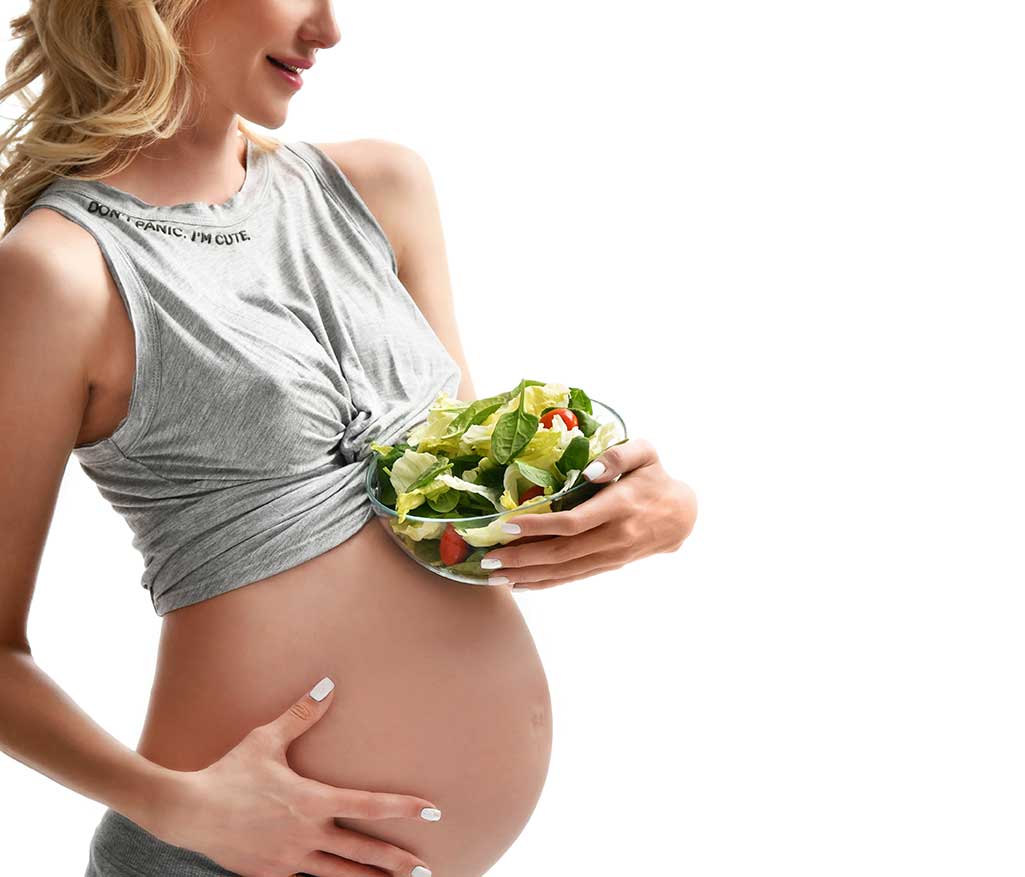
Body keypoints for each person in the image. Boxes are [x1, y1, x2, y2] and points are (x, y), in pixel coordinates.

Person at [0, 1, 699, 875]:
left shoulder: (380, 189)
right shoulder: (58, 271)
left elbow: (471, 507)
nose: (329, 29)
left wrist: (646, 506)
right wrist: (178, 806)